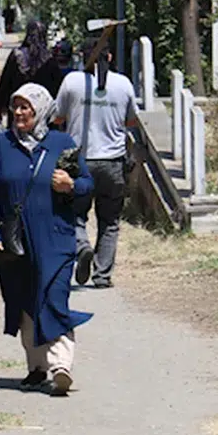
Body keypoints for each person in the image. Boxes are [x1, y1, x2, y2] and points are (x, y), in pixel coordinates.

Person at [0, 83, 93, 396]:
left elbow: (86, 184)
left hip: (56, 238)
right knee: (25, 301)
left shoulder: (61, 143)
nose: (18, 113)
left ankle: (60, 365)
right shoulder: (1, 145)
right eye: (15, 106)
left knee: (54, 297)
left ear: (40, 109)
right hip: (15, 241)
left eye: (25, 107)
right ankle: (37, 367)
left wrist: (70, 184)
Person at [52, 48, 139, 289]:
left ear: (83, 56)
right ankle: (102, 275)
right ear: (109, 57)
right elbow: (132, 120)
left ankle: (82, 247)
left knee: (74, 213)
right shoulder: (123, 84)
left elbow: (57, 117)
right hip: (113, 161)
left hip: (79, 161)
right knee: (109, 220)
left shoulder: (71, 81)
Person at [0, 20, 64, 127]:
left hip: (19, 109)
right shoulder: (50, 58)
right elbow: (58, 86)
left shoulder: (17, 55)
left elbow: (5, 82)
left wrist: (0, 105)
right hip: (43, 110)